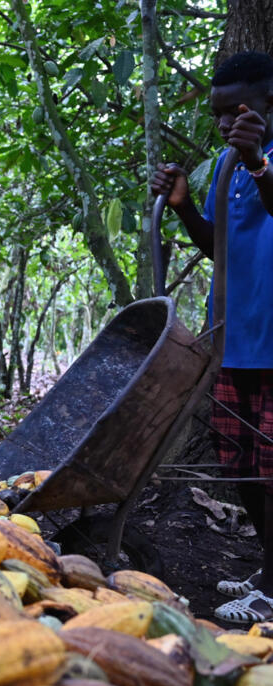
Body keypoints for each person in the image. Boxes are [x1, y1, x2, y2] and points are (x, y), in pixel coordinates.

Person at [151, 50, 273, 623]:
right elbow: (217, 248)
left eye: (237, 110)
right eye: (218, 115)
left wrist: (258, 162)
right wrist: (182, 209)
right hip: (235, 339)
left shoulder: (254, 161)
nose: (225, 125)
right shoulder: (227, 167)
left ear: (269, 102)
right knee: (241, 464)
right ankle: (269, 568)